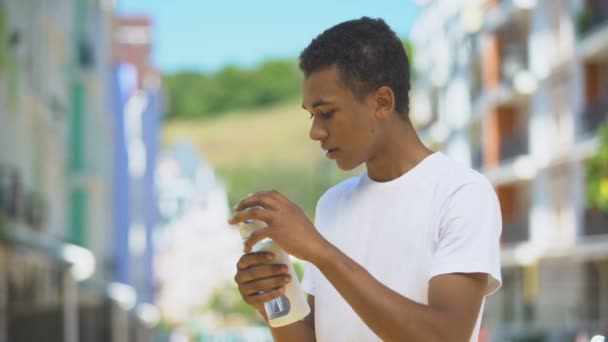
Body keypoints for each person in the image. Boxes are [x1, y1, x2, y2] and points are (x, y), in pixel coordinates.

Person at [229, 17, 502, 342]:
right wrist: (273, 300)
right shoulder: (332, 203)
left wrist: (320, 251)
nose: (315, 131)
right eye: (311, 115)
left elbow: (444, 336)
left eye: (327, 112)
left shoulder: (461, 193)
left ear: (382, 103)